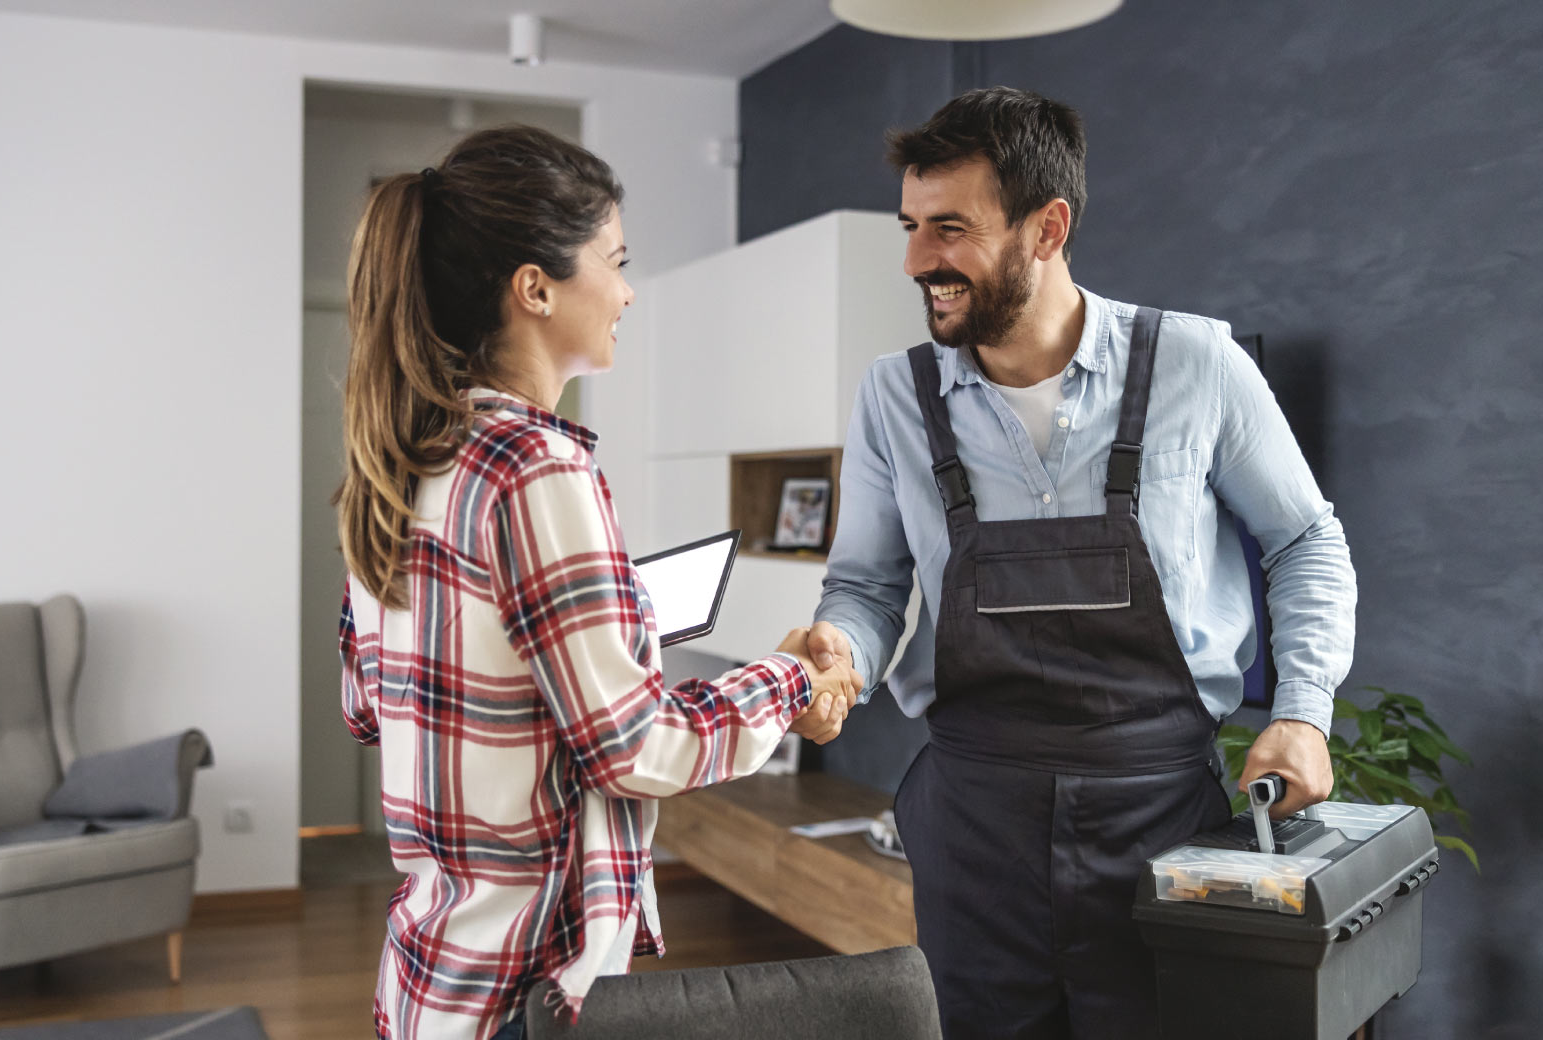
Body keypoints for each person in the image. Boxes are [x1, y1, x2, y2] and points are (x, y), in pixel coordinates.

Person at [798, 88, 1358, 1038]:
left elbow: (1306, 540)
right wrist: (839, 653)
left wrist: (1304, 711)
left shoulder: (1197, 365)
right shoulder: (895, 395)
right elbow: (867, 586)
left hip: (1163, 822)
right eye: (909, 227)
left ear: (1047, 227)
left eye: (949, 228)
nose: (915, 260)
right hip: (972, 826)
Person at [333, 125, 861, 1040]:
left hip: (428, 979)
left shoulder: (404, 462)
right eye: (615, 262)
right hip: (523, 998)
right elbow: (634, 751)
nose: (625, 291)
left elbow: (371, 704)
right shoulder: (535, 468)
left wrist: (597, 637)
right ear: (534, 287)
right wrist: (790, 684)